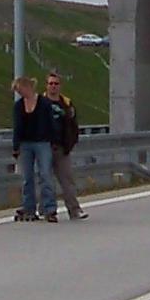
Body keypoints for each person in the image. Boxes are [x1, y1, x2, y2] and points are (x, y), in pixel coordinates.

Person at [11, 76, 64, 222]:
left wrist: (54, 141)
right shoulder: (18, 106)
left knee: (45, 175)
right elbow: (17, 127)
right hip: (25, 144)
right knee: (27, 177)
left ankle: (49, 208)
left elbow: (51, 123)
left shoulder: (44, 103)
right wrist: (16, 147)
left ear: (27, 87)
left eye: (20, 89)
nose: (19, 93)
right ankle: (29, 207)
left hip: (43, 142)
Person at [44, 72, 89, 220]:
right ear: (46, 85)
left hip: (62, 147)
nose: (53, 86)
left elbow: (73, 124)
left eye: (56, 83)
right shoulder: (40, 102)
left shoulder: (67, 103)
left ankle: (74, 210)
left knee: (67, 180)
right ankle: (46, 210)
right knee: (45, 180)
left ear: (60, 86)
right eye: (50, 83)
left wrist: (71, 142)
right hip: (44, 147)